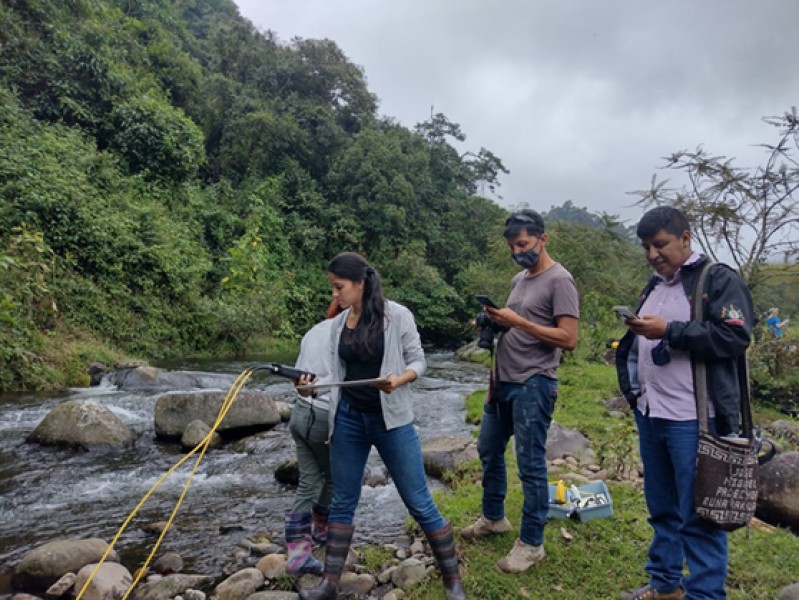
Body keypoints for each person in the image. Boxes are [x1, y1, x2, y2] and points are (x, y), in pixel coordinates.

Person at [299, 252, 465, 600]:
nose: (335, 295)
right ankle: (330, 584)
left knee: (419, 501)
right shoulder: (338, 324)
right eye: (332, 288)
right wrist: (311, 385)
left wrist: (399, 380)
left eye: (338, 287)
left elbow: (420, 362)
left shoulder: (398, 316)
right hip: (348, 420)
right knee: (343, 501)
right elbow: (336, 376)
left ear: (360, 283)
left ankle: (453, 582)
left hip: (392, 422)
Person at [615, 207, 754, 600]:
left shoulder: (717, 279)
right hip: (652, 411)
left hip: (694, 419)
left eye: (660, 244)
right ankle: (665, 584)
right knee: (662, 508)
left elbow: (734, 337)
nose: (653, 254)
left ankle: (706, 594)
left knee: (699, 517)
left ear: (686, 238)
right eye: (646, 247)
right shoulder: (656, 285)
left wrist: (670, 331)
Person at [460, 209, 579, 574]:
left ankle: (532, 543)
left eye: (523, 244)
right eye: (512, 246)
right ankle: (494, 517)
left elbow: (569, 338)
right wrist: (494, 320)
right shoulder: (518, 279)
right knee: (488, 449)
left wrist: (519, 322)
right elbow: (515, 324)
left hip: (534, 382)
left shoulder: (561, 281)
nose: (517, 251)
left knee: (529, 464)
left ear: (543, 239)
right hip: (503, 380)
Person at [284, 300, 342, 576]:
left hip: (299, 414)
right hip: (321, 417)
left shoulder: (313, 331)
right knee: (333, 478)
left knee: (308, 482)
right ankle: (320, 533)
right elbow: (338, 389)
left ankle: (298, 553)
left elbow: (299, 379)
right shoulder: (344, 336)